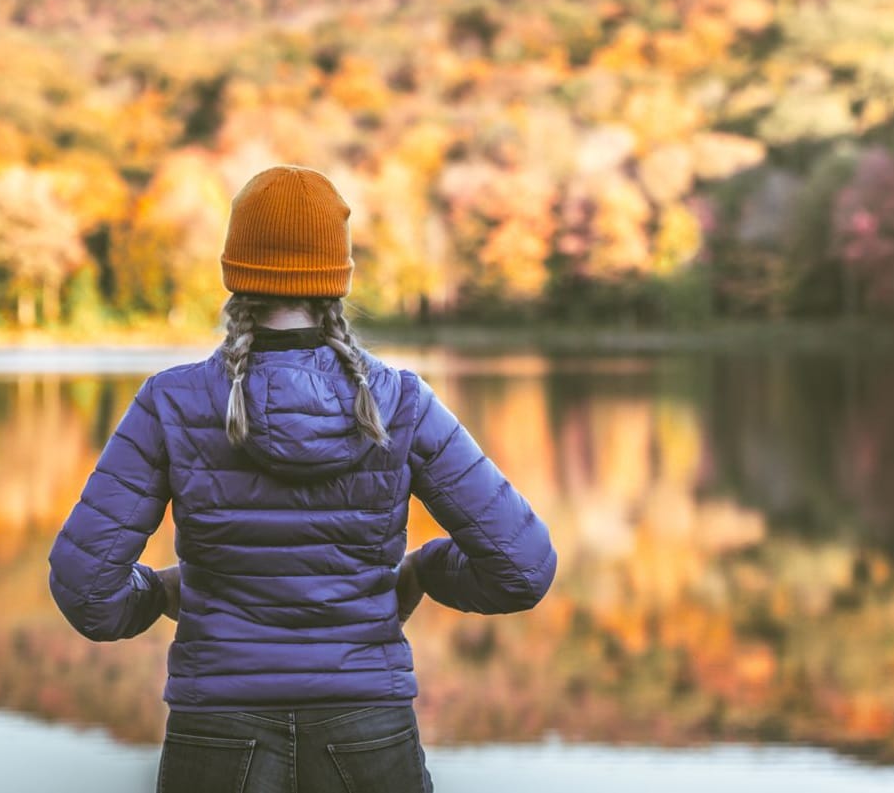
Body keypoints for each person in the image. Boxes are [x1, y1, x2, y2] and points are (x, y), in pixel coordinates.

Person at [48, 164, 558, 793]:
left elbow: (85, 588)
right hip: (369, 730)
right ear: (336, 282)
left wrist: (159, 595)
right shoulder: (402, 402)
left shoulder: (172, 402)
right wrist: (423, 572)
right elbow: (524, 566)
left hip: (216, 733)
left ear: (235, 274)